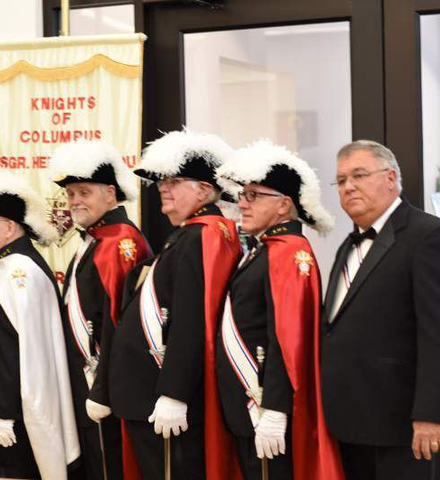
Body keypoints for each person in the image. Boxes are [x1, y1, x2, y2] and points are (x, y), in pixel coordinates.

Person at [109, 130, 242, 480]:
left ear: (203, 189)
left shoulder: (203, 235)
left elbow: (192, 318)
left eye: (174, 181)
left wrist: (174, 393)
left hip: (164, 398)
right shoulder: (190, 234)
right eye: (162, 182)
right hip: (148, 395)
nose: (163, 189)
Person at [214, 140, 344, 480]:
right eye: (242, 195)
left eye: (253, 195)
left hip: (263, 409)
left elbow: (288, 338)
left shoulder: (287, 252)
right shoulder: (265, 248)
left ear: (284, 205)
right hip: (245, 407)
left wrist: (274, 408)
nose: (242, 203)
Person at [0, 170, 80, 479]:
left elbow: (18, 351)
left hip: (11, 415)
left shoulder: (19, 272)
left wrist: (4, 412)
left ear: (9, 227)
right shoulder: (6, 266)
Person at [321, 140, 440, 479]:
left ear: (390, 178)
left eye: (359, 175)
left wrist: (430, 414)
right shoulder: (347, 245)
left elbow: (435, 333)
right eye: (341, 180)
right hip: (348, 422)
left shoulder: (427, 235)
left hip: (402, 426)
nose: (348, 187)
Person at [48, 140, 152, 480]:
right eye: (70, 194)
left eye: (84, 192)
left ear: (110, 193)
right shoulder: (96, 238)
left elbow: (118, 324)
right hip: (88, 381)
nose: (74, 201)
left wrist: (102, 390)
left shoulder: (119, 241)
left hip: (104, 386)